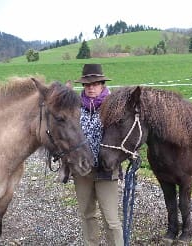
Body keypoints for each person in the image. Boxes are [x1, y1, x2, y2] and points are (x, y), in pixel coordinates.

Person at [73, 64, 124, 246]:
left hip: (107, 170)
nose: (91, 88)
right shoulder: (75, 108)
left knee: (111, 219)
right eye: (87, 84)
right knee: (87, 214)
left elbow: (125, 136)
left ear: (102, 84)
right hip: (82, 170)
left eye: (95, 84)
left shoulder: (114, 108)